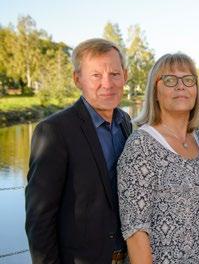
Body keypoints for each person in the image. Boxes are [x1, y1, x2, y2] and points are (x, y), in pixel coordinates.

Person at [25, 38, 131, 263]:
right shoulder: (54, 131)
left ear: (125, 76)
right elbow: (39, 220)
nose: (107, 83)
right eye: (96, 75)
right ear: (77, 79)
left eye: (114, 74)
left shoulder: (126, 123)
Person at [117, 53, 199, 263]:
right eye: (170, 80)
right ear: (155, 91)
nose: (180, 86)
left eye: (188, 80)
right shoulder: (141, 146)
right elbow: (136, 231)